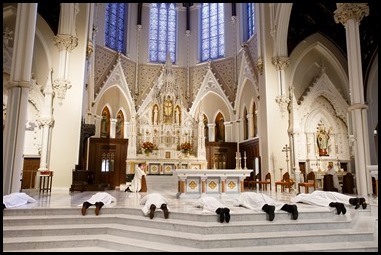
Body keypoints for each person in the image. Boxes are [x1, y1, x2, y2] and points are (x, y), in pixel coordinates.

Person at [291, 190, 367, 215]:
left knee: (327, 201)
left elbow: (293, 200)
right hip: (325, 194)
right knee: (338, 196)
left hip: (320, 196)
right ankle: (357, 200)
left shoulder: (303, 196)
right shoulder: (312, 193)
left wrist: (295, 197)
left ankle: (355, 200)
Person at [233, 192, 298, 221]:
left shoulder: (242, 196)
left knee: (259, 204)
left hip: (253, 198)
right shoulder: (246, 194)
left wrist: (239, 204)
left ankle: (269, 209)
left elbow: (236, 203)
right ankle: (291, 207)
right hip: (261, 195)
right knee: (275, 203)